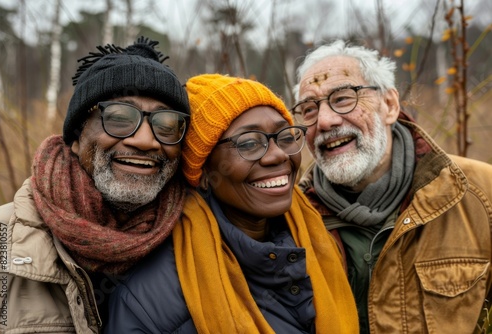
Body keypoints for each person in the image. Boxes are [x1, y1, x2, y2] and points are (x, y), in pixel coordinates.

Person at [106, 74, 359, 333]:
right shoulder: (147, 301)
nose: (278, 155)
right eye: (249, 143)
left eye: (284, 137)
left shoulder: (322, 241)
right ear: (202, 173)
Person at [291, 39, 492, 333]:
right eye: (309, 109)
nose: (324, 121)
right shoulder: (293, 220)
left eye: (344, 98)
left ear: (389, 105)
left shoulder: (480, 194)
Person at [0, 36, 190, 333]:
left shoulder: (197, 241)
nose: (146, 141)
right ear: (75, 138)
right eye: (120, 117)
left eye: (166, 124)